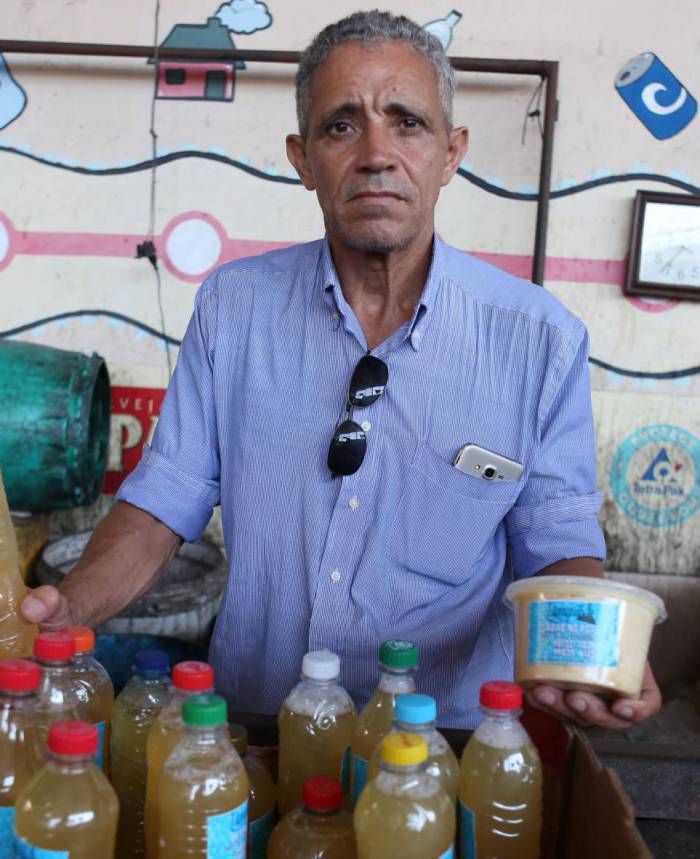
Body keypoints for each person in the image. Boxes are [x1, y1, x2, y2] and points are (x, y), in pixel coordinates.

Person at [20, 10, 660, 731]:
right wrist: (66, 607)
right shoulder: (235, 310)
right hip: (255, 733)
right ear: (302, 158)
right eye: (341, 125)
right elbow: (164, 501)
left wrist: (603, 654)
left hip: (441, 744)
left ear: (451, 154)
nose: (376, 153)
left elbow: (556, 547)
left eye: (407, 122)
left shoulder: (539, 342)